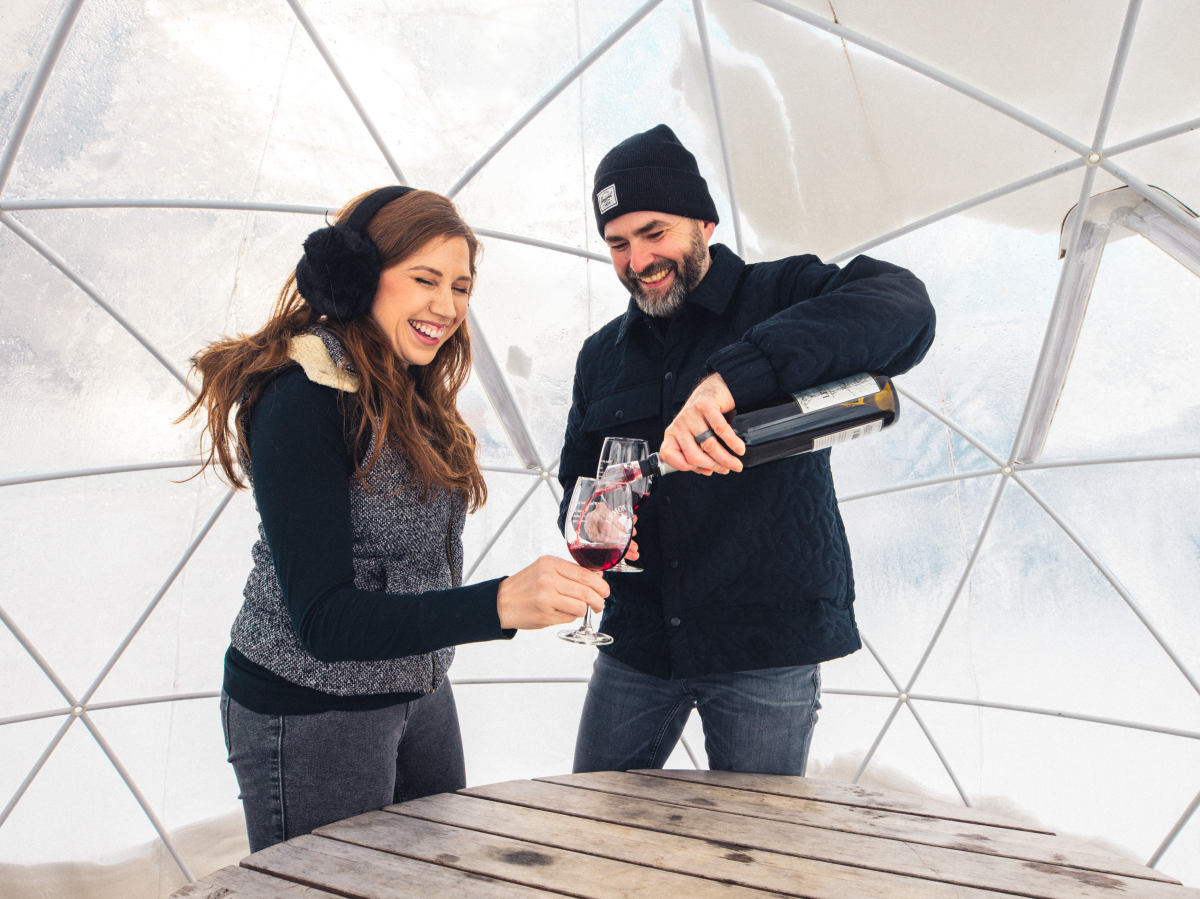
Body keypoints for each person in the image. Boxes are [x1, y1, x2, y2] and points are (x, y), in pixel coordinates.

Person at [180, 186, 609, 852]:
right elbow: (324, 618)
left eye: (461, 285)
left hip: (420, 693)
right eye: (425, 279)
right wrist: (496, 604)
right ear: (354, 276)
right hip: (312, 710)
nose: (447, 305)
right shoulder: (301, 397)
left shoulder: (409, 386)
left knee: (440, 878)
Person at [560, 125, 936, 776]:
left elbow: (903, 307)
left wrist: (737, 375)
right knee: (592, 818)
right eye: (617, 243)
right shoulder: (602, 353)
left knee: (755, 853)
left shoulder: (780, 292)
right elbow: (578, 475)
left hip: (765, 648)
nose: (637, 258)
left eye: (655, 232)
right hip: (638, 643)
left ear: (705, 223)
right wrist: (585, 514)